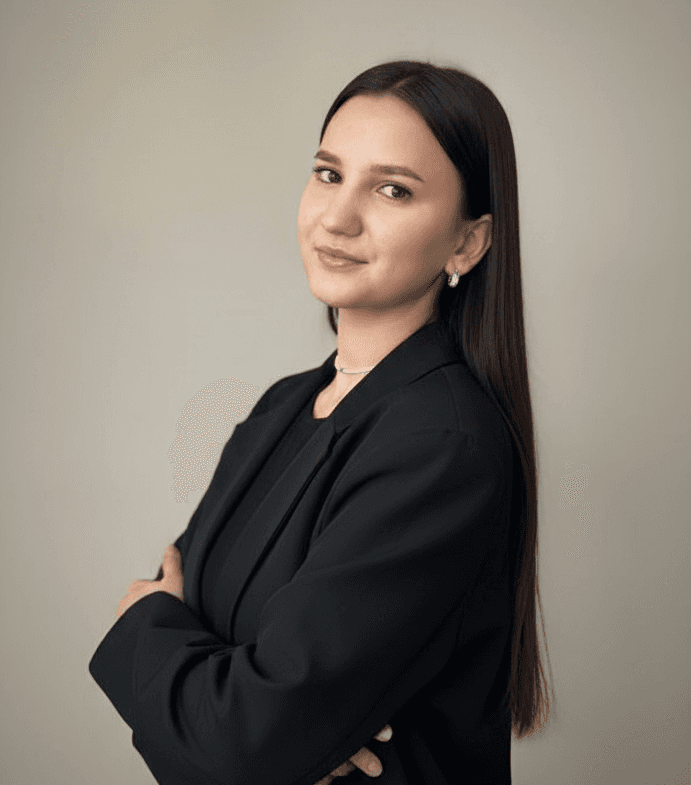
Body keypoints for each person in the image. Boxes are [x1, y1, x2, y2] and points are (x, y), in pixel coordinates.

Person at [89, 59, 552, 785]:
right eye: (329, 174)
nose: (337, 217)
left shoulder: (443, 446)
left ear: (467, 242)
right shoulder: (282, 407)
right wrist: (260, 732)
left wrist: (144, 625)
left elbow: (235, 743)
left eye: (392, 189)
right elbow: (215, 739)